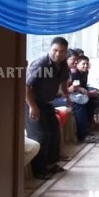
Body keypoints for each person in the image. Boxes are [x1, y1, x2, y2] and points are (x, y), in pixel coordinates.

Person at [25, 37, 73, 180]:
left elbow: (64, 82)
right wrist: (32, 107)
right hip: (31, 102)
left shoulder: (63, 65)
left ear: (66, 52)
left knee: (54, 132)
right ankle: (39, 171)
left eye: (61, 51)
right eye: (55, 50)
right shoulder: (41, 64)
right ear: (50, 49)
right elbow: (26, 86)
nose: (58, 54)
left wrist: (67, 97)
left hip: (46, 103)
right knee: (41, 136)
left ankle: (51, 164)